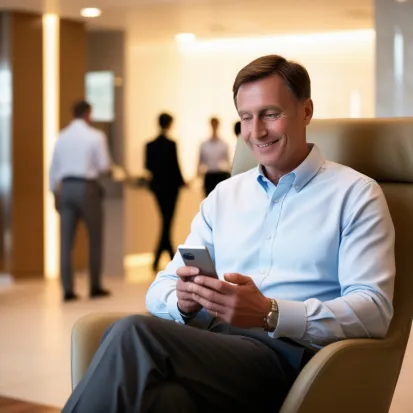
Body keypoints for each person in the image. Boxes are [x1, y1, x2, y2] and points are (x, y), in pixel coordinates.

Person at [62, 55, 395, 413]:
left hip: (292, 361)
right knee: (163, 402)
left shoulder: (356, 194)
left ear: (306, 110)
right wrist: (184, 303)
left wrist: (271, 312)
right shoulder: (224, 196)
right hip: (214, 351)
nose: (256, 132)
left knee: (131, 333)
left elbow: (374, 310)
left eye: (270, 114)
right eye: (245, 118)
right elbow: (160, 288)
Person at [49, 100, 111, 302]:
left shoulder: (62, 136)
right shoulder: (96, 136)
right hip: (87, 187)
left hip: (65, 187)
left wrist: (54, 193)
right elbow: (104, 165)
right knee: (94, 237)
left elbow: (53, 168)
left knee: (66, 242)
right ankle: (94, 286)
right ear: (88, 114)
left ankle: (67, 289)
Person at [145, 113, 185, 271]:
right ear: (169, 125)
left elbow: (147, 166)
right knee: (167, 221)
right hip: (171, 187)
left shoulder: (150, 145)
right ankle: (168, 257)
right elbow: (175, 166)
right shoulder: (171, 144)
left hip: (157, 187)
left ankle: (162, 257)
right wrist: (181, 181)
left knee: (165, 221)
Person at [198, 117, 231, 197]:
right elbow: (199, 162)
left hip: (221, 176)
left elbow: (228, 162)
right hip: (209, 176)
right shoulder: (204, 145)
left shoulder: (223, 144)